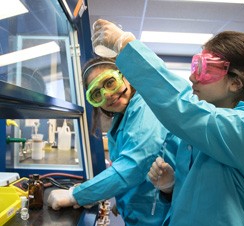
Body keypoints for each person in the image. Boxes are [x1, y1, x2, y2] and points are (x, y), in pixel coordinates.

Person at [90, 19, 244, 226]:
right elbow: (208, 197)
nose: (192, 77)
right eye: (195, 66)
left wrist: (126, 45)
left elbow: (183, 110)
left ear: (235, 83)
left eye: (204, 69)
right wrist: (171, 187)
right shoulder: (214, 119)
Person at [47, 56, 179, 226]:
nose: (107, 94)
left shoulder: (146, 107)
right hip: (143, 214)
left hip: (160, 217)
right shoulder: (122, 118)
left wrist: (75, 195)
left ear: (125, 76)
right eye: (96, 93)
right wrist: (124, 200)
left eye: (110, 83)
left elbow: (133, 166)